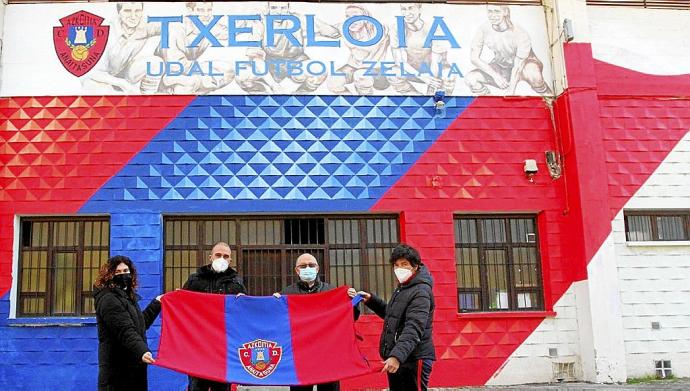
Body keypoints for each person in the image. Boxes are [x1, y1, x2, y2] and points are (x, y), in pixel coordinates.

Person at [349, 244, 435, 391]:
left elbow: (413, 328)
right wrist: (371, 300)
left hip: (413, 357)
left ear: (415, 266)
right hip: (399, 356)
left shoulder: (420, 291)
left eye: (404, 264)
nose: (399, 269)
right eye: (396, 265)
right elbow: (392, 315)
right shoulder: (404, 287)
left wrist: (396, 357)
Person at [275, 253, 360, 391]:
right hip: (300, 355)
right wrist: (274, 303)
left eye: (311, 265)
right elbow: (278, 322)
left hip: (327, 354)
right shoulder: (287, 293)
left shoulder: (331, 291)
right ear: (297, 270)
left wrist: (353, 303)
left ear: (317, 268)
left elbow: (350, 318)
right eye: (303, 266)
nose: (307, 268)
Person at [182, 241, 247, 391]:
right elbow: (183, 307)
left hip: (224, 350)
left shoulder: (236, 283)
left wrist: (244, 302)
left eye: (226, 256)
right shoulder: (194, 280)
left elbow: (243, 316)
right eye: (218, 255)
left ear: (231, 260)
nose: (222, 258)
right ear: (210, 257)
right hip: (198, 349)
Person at [94, 255, 163, 391]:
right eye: (117, 272)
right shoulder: (109, 300)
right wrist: (142, 351)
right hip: (117, 371)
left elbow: (139, 325)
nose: (123, 275)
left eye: (126, 271)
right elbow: (125, 330)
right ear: (109, 275)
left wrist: (157, 303)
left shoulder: (127, 297)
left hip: (132, 368)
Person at [465, 5, 552, 95]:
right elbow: (474, 58)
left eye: (497, 11)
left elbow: (518, 65)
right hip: (501, 66)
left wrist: (511, 91)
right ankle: (490, 103)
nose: (492, 15)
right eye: (490, 11)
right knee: (470, 79)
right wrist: (496, 76)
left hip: (525, 65)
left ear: (505, 12)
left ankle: (550, 101)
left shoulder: (520, 33)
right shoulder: (483, 29)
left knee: (534, 75)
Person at [84, 2, 163, 94]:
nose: (133, 16)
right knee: (96, 88)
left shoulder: (144, 26)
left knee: (156, 63)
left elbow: (169, 28)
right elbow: (92, 72)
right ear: (119, 12)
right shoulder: (105, 32)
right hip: (101, 78)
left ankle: (148, 99)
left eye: (137, 11)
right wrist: (123, 84)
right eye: (127, 11)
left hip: (124, 73)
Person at [388, 4, 456, 96]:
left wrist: (431, 90)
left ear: (420, 9)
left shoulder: (434, 28)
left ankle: (441, 103)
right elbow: (399, 61)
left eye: (411, 8)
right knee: (391, 73)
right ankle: (417, 98)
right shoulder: (396, 28)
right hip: (414, 71)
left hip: (436, 71)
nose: (407, 13)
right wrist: (420, 76)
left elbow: (436, 62)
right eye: (403, 9)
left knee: (449, 75)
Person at [326, 4, 391, 95]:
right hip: (353, 67)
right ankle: (351, 103)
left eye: (355, 17)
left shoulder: (382, 29)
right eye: (348, 17)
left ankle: (367, 103)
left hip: (376, 69)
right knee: (334, 81)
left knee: (361, 76)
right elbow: (327, 31)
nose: (351, 21)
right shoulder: (344, 27)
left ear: (366, 17)